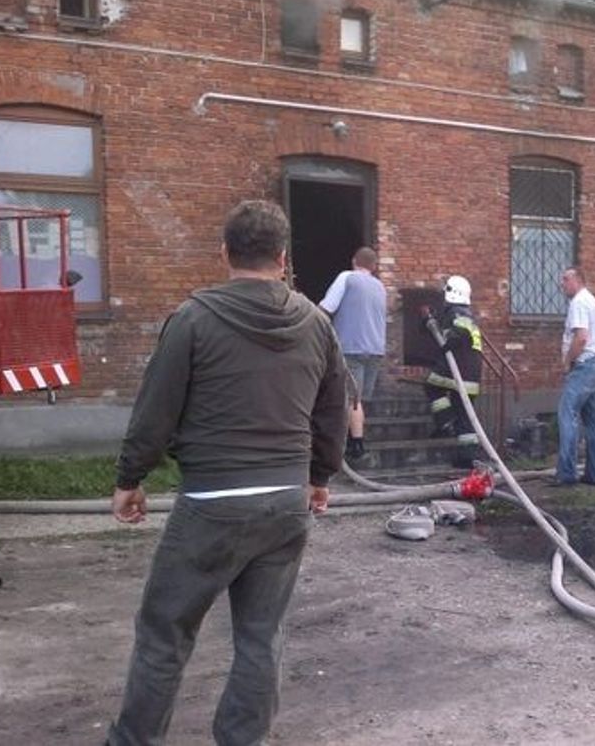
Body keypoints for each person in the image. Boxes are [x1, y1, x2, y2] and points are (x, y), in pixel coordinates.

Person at [107, 200, 348, 746]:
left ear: (224, 253)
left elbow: (156, 409)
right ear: (283, 258)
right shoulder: (315, 324)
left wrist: (130, 479)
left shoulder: (193, 319)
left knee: (164, 633)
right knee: (261, 636)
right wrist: (319, 477)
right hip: (286, 502)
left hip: (213, 501)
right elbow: (334, 408)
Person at [319, 246, 388, 462]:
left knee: (351, 400)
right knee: (360, 399)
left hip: (351, 347)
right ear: (374, 266)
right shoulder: (380, 287)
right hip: (375, 350)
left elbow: (326, 308)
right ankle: (354, 438)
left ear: (353, 261)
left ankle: (356, 444)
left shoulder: (347, 277)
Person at [552, 266, 595, 486]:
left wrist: (567, 362)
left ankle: (566, 474)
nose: (562, 284)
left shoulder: (579, 302)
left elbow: (581, 338)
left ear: (578, 280)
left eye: (566, 279)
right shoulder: (592, 301)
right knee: (591, 420)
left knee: (567, 414)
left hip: (586, 365)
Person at [422, 275, 482, 469]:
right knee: (465, 415)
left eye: (446, 291)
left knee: (431, 385)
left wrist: (447, 341)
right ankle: (467, 456)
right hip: (472, 375)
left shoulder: (457, 313)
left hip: (458, 370)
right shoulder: (467, 313)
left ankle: (445, 421)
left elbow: (458, 333)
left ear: (453, 293)